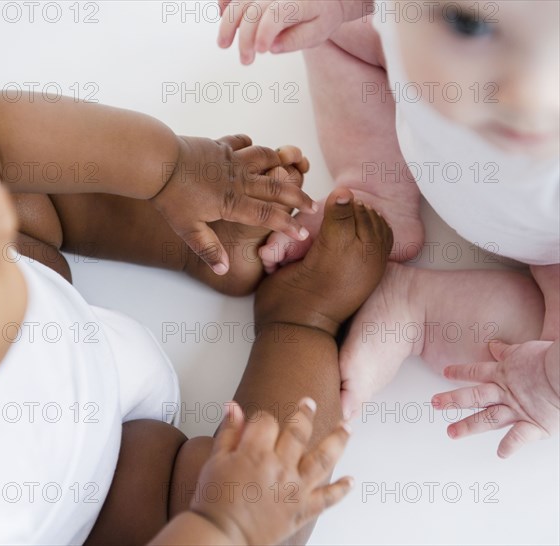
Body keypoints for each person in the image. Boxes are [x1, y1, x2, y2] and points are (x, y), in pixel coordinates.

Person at [0, 92, 392, 544]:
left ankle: (194, 238)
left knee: (20, 180)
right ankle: (306, 317)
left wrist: (172, 168)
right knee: (264, 510)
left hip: (46, 302)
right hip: (81, 497)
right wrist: (226, 526)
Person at [217, 0, 560, 457]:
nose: (532, 97)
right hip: (426, 130)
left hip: (549, 248)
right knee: (336, 34)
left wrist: (547, 386)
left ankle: (417, 307)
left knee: (536, 364)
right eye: (469, 23)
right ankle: (374, 183)